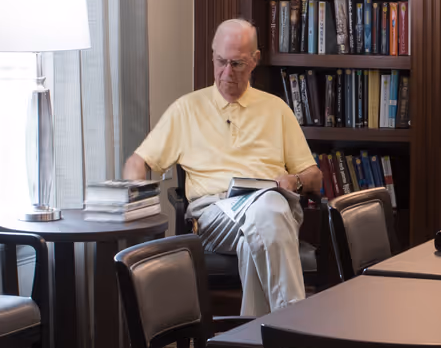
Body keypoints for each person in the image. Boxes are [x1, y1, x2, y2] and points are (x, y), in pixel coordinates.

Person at [124, 19, 321, 314]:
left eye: (237, 64)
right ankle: (295, 325)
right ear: (213, 55)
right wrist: (137, 202)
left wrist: (294, 181)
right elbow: (138, 162)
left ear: (254, 61)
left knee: (256, 234)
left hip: (272, 207)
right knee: (268, 209)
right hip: (214, 215)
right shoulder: (187, 109)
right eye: (221, 62)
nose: (227, 73)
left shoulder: (276, 108)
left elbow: (314, 176)